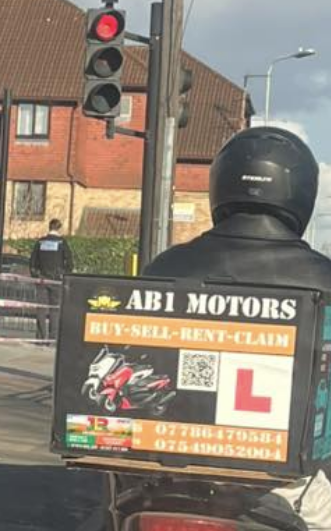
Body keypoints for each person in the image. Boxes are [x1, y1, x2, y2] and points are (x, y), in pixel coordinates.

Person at [139, 126, 331, 530]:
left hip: (168, 471)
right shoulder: (324, 280)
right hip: (287, 484)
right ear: (301, 192)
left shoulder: (166, 267)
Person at [29, 218, 73, 339]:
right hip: (56, 280)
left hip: (41, 279)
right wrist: (64, 274)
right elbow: (69, 262)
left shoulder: (40, 242)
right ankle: (53, 337)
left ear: (49, 227)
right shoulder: (61, 242)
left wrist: (36, 275)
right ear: (59, 228)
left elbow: (32, 262)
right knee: (55, 309)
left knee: (41, 309)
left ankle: (41, 337)